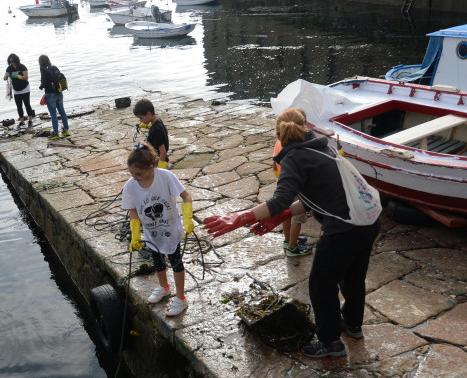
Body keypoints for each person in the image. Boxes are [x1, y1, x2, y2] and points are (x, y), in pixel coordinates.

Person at [203, 108, 381, 358]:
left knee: (321, 283)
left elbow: (278, 200)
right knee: (352, 277)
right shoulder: (321, 147)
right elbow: (312, 198)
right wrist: (283, 216)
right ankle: (352, 324)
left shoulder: (294, 159)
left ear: (278, 134)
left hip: (344, 228)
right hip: (369, 220)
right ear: (306, 127)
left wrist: (238, 217)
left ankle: (331, 343)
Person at [122, 142, 194, 317]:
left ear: (149, 167)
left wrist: (188, 219)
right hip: (151, 231)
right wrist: (135, 235)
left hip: (171, 227)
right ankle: (164, 287)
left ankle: (181, 298)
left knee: (176, 262)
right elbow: (133, 212)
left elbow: (186, 196)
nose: (135, 177)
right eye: (131, 174)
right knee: (157, 260)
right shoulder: (130, 186)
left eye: (138, 174)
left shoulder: (165, 177)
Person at [272, 110, 312, 257]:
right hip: (297, 189)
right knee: (297, 218)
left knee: (286, 214)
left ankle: (288, 240)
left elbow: (274, 165)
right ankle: (293, 248)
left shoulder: (278, 142)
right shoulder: (300, 150)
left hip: (282, 184)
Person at [38, 54, 69, 140]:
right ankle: (66, 130)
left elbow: (44, 83)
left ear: (40, 62)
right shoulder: (54, 67)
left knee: (53, 114)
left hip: (50, 94)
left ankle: (56, 133)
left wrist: (40, 86)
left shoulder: (43, 70)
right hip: (59, 93)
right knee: (62, 112)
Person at [133, 99, 169, 168]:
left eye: (141, 118)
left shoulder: (156, 130)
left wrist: (160, 168)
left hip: (160, 162)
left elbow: (163, 152)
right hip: (160, 160)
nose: (140, 120)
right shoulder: (158, 121)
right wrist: (144, 125)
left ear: (148, 114)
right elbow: (166, 131)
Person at [4, 54, 35, 129]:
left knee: (27, 104)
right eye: (10, 61)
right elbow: (5, 77)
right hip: (16, 90)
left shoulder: (22, 67)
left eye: (13, 61)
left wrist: (18, 76)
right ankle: (22, 121)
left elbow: (26, 77)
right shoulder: (9, 68)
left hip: (25, 88)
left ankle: (30, 120)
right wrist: (6, 76)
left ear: (16, 60)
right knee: (19, 106)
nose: (12, 62)